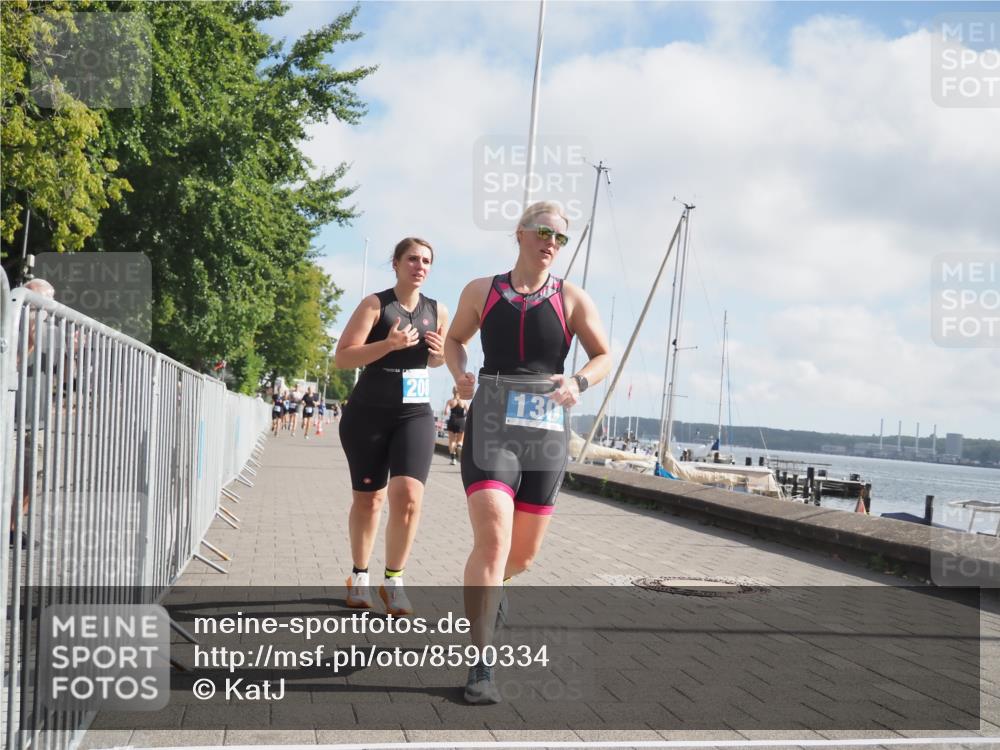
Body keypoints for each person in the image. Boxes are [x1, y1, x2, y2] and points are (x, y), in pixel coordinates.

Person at [445, 201, 611, 704]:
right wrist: (460, 374)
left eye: (560, 237)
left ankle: (495, 587)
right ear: (520, 233)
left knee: (523, 555)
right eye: (543, 232)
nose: (551, 242)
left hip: (545, 430)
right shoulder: (481, 290)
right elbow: (455, 340)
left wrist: (579, 381)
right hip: (491, 421)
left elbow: (602, 355)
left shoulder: (572, 298)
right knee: (493, 539)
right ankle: (481, 664)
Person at [335, 237, 448, 616]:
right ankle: (359, 575)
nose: (420, 266)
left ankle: (394, 580)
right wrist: (388, 344)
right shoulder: (375, 305)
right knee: (369, 500)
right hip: (368, 413)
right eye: (413, 259)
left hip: (414, 414)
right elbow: (343, 357)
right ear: (396, 263)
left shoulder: (438, 310)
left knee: (409, 497)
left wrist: (439, 355)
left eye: (426, 261)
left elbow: (436, 361)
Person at [443, 387, 467, 465]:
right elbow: (468, 412)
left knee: (452, 441)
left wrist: (447, 411)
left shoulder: (450, 401)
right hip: (461, 421)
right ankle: (459, 446)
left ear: (452, 392)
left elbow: (446, 412)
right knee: (460, 440)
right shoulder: (464, 401)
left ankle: (453, 459)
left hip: (452, 421)